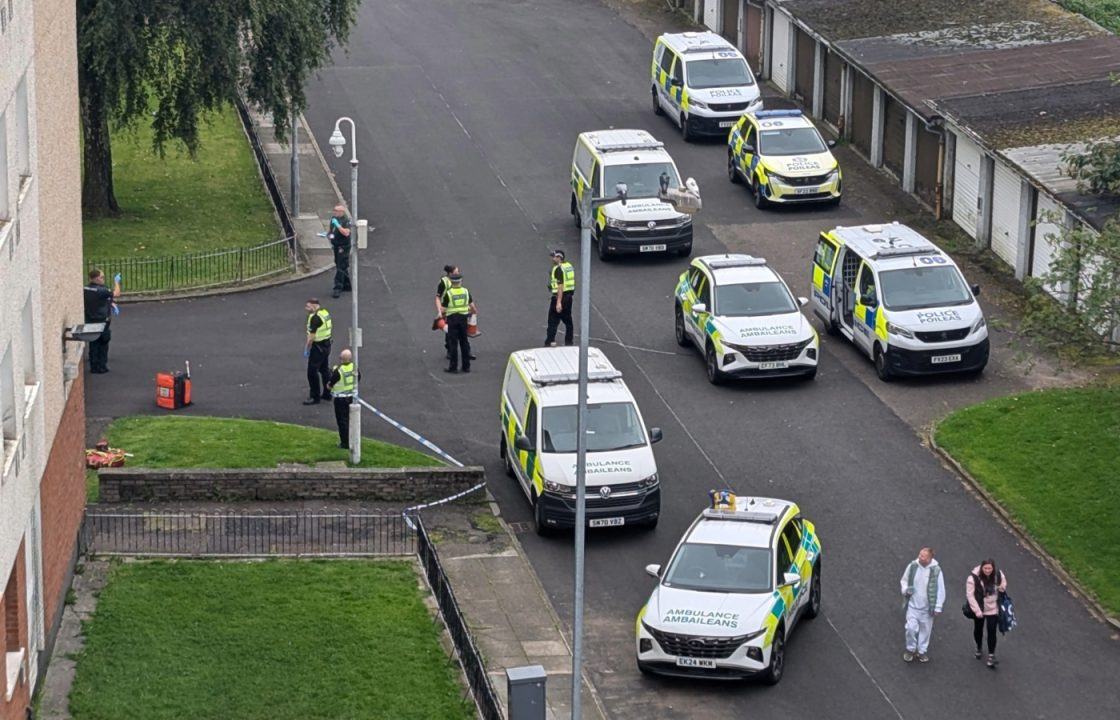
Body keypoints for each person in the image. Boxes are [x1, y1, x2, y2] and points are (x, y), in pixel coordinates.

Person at [900, 547, 945, 663]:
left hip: (927, 609)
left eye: (923, 556)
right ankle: (910, 649)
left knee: (925, 631)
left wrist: (938, 606)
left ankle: (921, 651)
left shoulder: (936, 571)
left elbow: (940, 589)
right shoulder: (913, 566)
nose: (920, 557)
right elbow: (904, 580)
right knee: (910, 628)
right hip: (913, 607)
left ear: (930, 558)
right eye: (920, 555)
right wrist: (906, 590)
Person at [966, 559, 1007, 668]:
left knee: (992, 631)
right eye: (985, 568)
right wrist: (977, 611)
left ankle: (991, 655)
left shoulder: (998, 574)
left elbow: (1003, 582)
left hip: (993, 609)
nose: (988, 571)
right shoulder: (973, 579)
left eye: (990, 568)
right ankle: (979, 647)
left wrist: (1002, 587)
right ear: (981, 568)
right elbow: (970, 596)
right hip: (980, 608)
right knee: (978, 630)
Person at [436, 273, 478, 374]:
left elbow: (444, 309)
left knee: (453, 343)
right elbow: (472, 306)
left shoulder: (449, 293)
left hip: (452, 319)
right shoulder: (465, 291)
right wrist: (473, 313)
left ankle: (453, 367)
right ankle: (466, 367)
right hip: (463, 319)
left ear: (451, 282)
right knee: (464, 342)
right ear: (460, 282)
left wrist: (439, 316)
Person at [83, 269, 121, 374]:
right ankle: (102, 367)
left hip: (90, 320)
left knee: (93, 343)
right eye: (102, 277)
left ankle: (93, 366)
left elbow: (98, 301)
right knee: (103, 342)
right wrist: (116, 282)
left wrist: (111, 303)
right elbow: (117, 293)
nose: (103, 279)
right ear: (96, 278)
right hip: (102, 320)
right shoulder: (101, 290)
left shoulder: (86, 289)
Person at [326, 348, 360, 449]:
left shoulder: (338, 371)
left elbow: (329, 385)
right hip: (351, 398)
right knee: (351, 420)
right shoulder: (354, 368)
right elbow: (358, 378)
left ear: (341, 359)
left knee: (342, 421)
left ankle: (345, 443)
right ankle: (353, 439)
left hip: (340, 400)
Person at [303, 299, 333, 405]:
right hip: (327, 344)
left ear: (314, 306)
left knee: (312, 372)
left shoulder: (315, 318)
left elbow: (311, 337)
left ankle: (315, 397)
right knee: (324, 370)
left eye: (308, 306)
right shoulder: (325, 312)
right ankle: (327, 393)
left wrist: (307, 349)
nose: (306, 308)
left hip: (318, 347)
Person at [544, 249, 575, 347]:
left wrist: (558, 302)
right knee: (568, 322)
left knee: (552, 321)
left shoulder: (558, 269)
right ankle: (569, 342)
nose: (552, 258)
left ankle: (549, 342)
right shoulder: (568, 266)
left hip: (559, 298)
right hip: (569, 298)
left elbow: (560, 286)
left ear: (559, 258)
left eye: (554, 257)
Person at [329, 205, 352, 298]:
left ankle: (337, 287)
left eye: (336, 211)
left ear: (342, 212)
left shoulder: (346, 221)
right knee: (341, 264)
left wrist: (338, 226)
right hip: (336, 244)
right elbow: (331, 230)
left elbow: (346, 233)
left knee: (340, 266)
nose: (334, 212)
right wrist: (329, 235)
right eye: (334, 210)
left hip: (343, 246)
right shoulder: (333, 218)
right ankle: (347, 285)